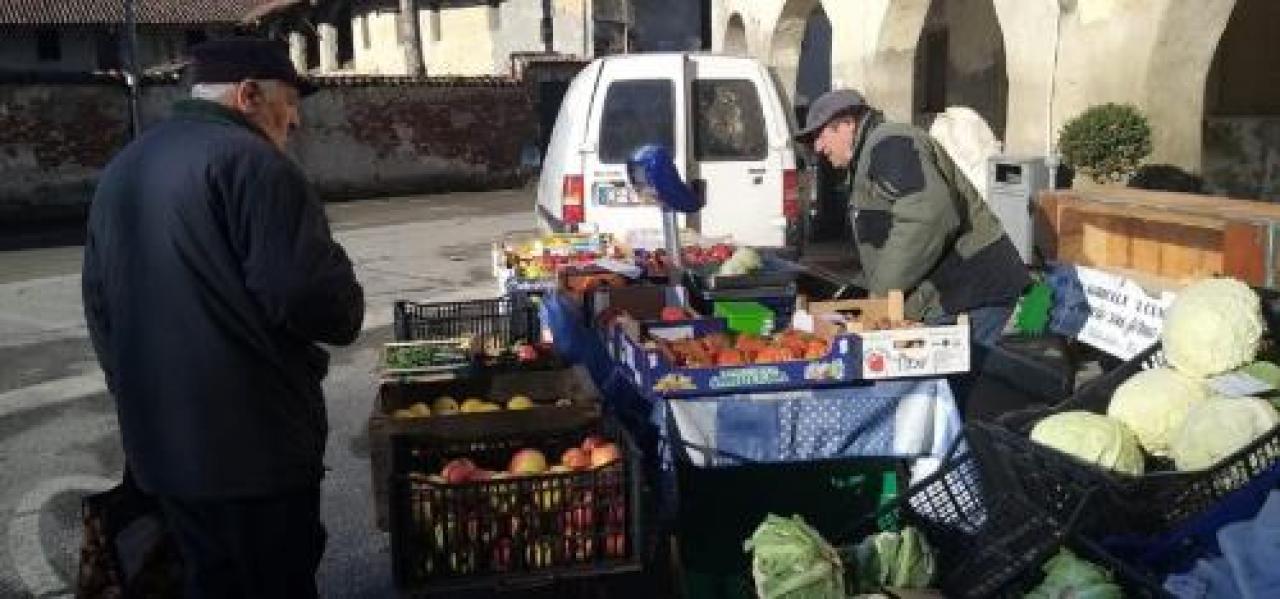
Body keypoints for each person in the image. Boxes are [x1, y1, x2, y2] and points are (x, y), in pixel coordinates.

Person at [81, 38, 364, 598]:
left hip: (161, 453)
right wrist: (344, 290)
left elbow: (100, 309)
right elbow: (312, 299)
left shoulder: (124, 168)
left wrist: (140, 410)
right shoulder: (257, 165)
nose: (296, 120)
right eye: (289, 101)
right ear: (249, 95)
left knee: (203, 581)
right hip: (254, 457)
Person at [795, 89, 1030, 348]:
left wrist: (881, 294)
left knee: (956, 385)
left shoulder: (890, 143)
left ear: (848, 124)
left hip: (971, 293)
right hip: (952, 297)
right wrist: (857, 291)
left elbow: (928, 218)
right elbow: (890, 239)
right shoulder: (871, 155)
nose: (817, 147)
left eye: (820, 134)